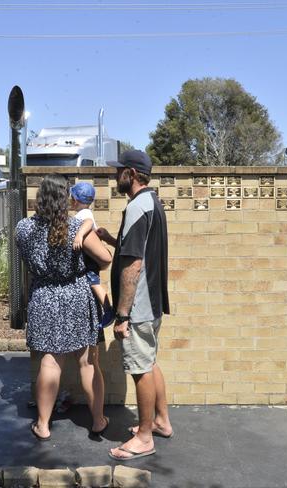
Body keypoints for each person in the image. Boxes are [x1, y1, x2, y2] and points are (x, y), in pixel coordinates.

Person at [15, 173, 112, 441]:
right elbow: (105, 259)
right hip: (76, 297)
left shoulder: (23, 228)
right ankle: (98, 421)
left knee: (50, 361)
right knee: (87, 363)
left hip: (44, 297)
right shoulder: (75, 227)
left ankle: (43, 425)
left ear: (40, 198)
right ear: (64, 200)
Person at [96, 149, 172, 461]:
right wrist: (112, 239)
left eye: (119, 171)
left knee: (140, 369)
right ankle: (161, 421)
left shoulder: (138, 207)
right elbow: (136, 248)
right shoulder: (151, 202)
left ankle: (143, 437)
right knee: (150, 362)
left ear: (131, 173)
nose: (115, 176)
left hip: (138, 308)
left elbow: (133, 265)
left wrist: (123, 314)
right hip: (152, 303)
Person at [70, 182, 115, 327]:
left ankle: (108, 309)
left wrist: (79, 235)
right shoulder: (86, 212)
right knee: (93, 283)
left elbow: (88, 223)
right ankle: (107, 309)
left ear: (75, 200)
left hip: (89, 259)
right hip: (90, 257)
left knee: (94, 283)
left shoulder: (84, 214)